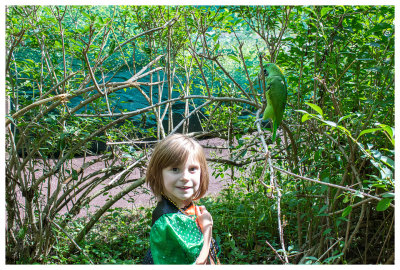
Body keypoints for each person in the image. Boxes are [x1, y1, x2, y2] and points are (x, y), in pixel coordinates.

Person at [142, 133, 220, 264]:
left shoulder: (183, 206)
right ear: (157, 174)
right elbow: (199, 262)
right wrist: (207, 229)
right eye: (174, 169)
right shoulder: (169, 220)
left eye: (193, 169)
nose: (185, 177)